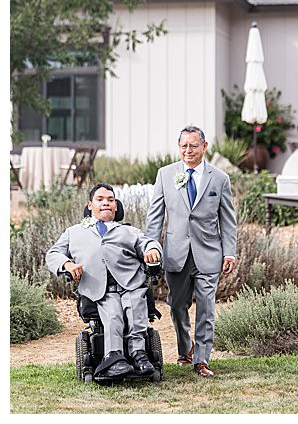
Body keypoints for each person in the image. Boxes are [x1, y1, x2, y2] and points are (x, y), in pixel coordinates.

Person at [146, 126, 237, 378]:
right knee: (176, 305)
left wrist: (229, 252)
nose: (188, 150)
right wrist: (151, 246)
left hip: (209, 253)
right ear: (179, 147)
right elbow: (155, 217)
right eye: (184, 146)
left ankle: (202, 360)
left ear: (204, 147)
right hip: (176, 253)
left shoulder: (219, 178)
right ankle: (186, 349)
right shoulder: (165, 175)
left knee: (206, 306)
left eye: (193, 145)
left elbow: (228, 220)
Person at [47, 183, 162, 379]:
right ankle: (114, 357)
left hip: (131, 283)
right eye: (100, 200)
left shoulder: (129, 231)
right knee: (113, 314)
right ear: (90, 205)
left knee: (135, 307)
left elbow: (147, 242)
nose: (106, 203)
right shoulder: (74, 232)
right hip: (101, 289)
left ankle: (139, 355)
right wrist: (67, 264)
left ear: (116, 206)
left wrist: (152, 250)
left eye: (110, 200)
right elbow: (54, 253)